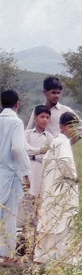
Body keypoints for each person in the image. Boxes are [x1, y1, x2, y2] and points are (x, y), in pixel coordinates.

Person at [35, 112, 80, 264]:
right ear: (63, 127)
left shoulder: (55, 143)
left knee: (52, 222)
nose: (73, 130)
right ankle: (64, 259)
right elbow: (65, 161)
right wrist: (74, 177)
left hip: (52, 189)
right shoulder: (62, 142)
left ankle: (45, 257)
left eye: (75, 127)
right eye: (71, 126)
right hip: (61, 189)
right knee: (63, 222)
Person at [0, 90, 31, 265]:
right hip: (10, 175)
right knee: (9, 215)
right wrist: (25, 172)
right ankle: (7, 255)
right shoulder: (16, 122)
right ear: (17, 104)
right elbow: (18, 149)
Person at [21, 105, 53, 254]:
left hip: (43, 173)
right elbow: (24, 149)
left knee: (39, 209)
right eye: (42, 117)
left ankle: (36, 245)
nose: (45, 120)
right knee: (27, 207)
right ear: (35, 118)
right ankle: (23, 243)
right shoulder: (27, 134)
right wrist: (39, 151)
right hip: (29, 172)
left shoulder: (50, 137)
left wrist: (36, 154)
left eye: (47, 117)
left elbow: (51, 155)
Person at [26, 76, 82, 143]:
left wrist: (69, 143)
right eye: (53, 93)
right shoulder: (38, 110)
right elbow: (28, 131)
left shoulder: (65, 110)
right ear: (44, 92)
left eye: (58, 93)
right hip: (40, 150)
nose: (56, 96)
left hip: (59, 150)